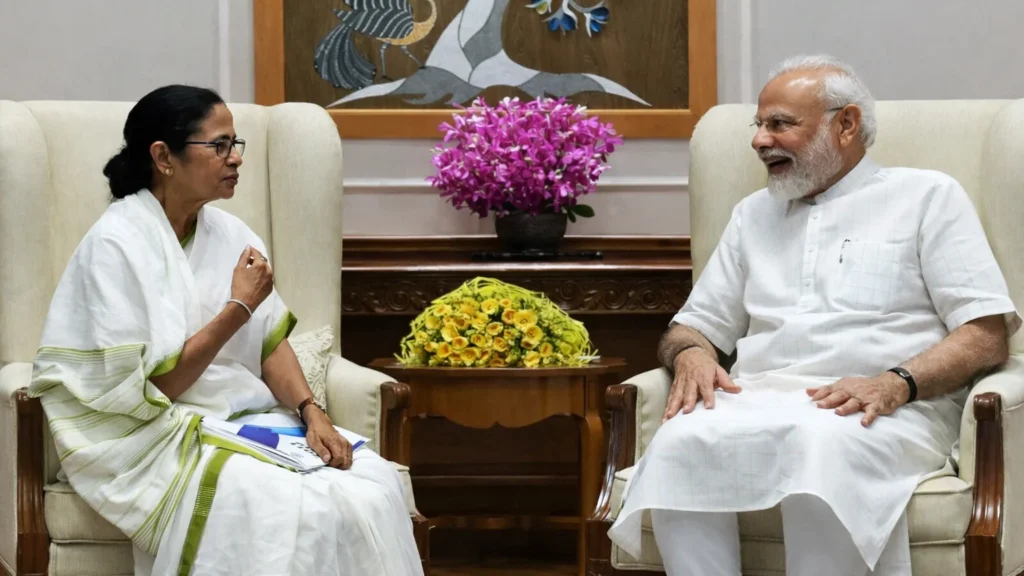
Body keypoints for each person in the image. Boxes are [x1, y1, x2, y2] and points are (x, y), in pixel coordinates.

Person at [607, 55, 1021, 576]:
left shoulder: (926, 196)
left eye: (779, 124)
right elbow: (692, 325)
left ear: (845, 125)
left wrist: (895, 382)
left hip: (886, 408)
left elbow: (985, 335)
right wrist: (690, 352)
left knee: (819, 446)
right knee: (681, 441)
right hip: (758, 398)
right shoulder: (751, 214)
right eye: (758, 125)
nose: (759, 140)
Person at [28, 85, 424, 575]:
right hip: (150, 432)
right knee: (279, 503)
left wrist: (312, 412)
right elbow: (158, 389)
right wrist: (238, 306)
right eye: (219, 145)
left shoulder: (233, 235)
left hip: (241, 418)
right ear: (163, 157)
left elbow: (269, 343)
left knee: (369, 484)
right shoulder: (115, 245)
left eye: (236, 144)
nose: (235, 159)